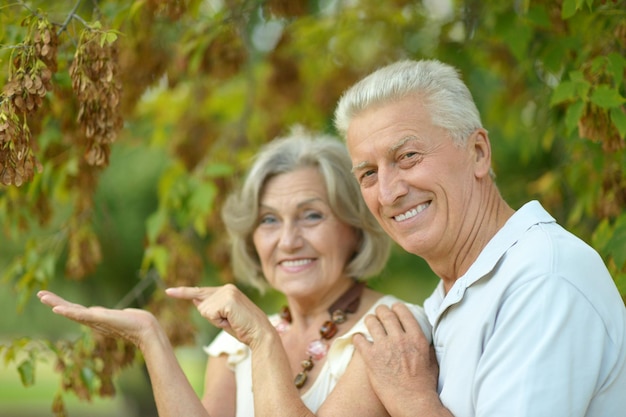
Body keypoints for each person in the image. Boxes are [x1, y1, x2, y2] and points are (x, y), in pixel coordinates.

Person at [38, 126, 432, 417]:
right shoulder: (234, 347)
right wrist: (150, 338)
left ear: (355, 228)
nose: (288, 241)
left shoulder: (390, 331)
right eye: (269, 221)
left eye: (311, 215)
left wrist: (263, 339)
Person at [333, 59, 626, 417]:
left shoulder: (544, 279)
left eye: (408, 156)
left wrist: (410, 398)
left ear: (478, 153)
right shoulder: (447, 299)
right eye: (368, 174)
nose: (388, 192)